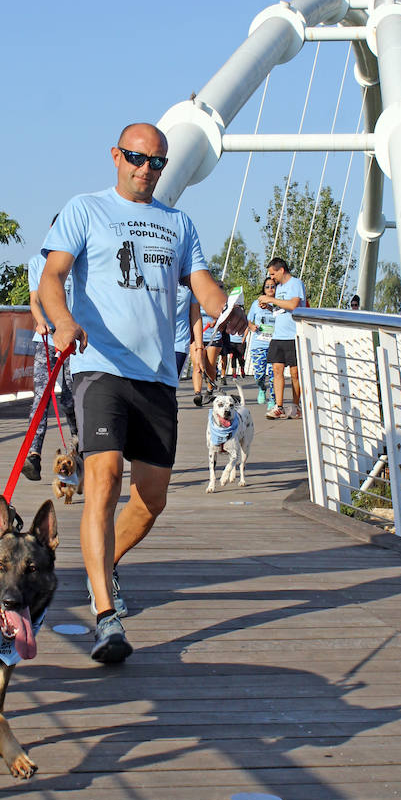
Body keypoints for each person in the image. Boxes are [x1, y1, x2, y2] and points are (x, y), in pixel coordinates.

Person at [38, 122, 247, 665]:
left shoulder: (179, 223)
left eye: (157, 162)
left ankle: (101, 565)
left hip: (157, 376)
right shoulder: (85, 209)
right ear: (116, 155)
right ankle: (107, 617)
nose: (146, 169)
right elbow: (51, 278)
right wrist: (62, 321)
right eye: (136, 158)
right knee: (102, 479)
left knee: (151, 500)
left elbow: (200, 283)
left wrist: (227, 310)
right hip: (98, 366)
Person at [22, 218, 78, 481]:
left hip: (74, 342)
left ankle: (79, 446)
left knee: (70, 397)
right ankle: (33, 454)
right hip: (46, 338)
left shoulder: (81, 262)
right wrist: (41, 321)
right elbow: (35, 300)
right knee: (41, 397)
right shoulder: (37, 263)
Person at [260, 256, 306, 419]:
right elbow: (281, 306)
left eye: (273, 274)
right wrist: (270, 305)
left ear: (281, 270)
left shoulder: (296, 284)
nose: (272, 278)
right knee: (277, 370)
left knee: (295, 373)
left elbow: (293, 305)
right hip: (278, 335)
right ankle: (278, 406)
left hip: (293, 335)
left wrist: (271, 299)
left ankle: (296, 406)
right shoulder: (278, 288)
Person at [245, 275, 278, 404]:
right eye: (267, 286)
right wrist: (251, 326)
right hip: (258, 343)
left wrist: (270, 307)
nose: (270, 288)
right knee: (259, 374)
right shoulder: (256, 303)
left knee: (273, 374)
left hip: (274, 343)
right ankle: (261, 388)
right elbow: (247, 320)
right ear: (263, 289)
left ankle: (273, 400)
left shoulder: (279, 303)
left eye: (272, 286)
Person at [174, 282, 205, 405]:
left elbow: (196, 315)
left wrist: (199, 349)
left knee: (169, 388)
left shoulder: (190, 281)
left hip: (179, 343)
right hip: (156, 341)